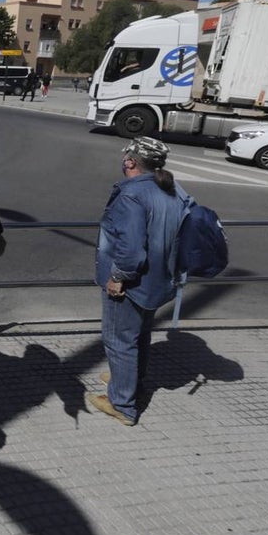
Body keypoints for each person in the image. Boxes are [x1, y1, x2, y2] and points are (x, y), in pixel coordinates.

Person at [91, 136, 189, 426]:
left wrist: (117, 278)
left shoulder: (131, 194)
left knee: (119, 340)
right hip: (159, 278)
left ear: (131, 161)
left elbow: (131, 250)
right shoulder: (174, 189)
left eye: (126, 157)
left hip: (132, 283)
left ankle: (122, 404)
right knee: (140, 334)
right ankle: (131, 381)